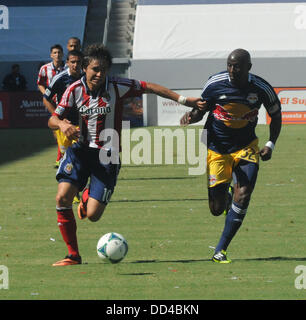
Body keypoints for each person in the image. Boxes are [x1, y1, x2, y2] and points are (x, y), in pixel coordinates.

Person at [48, 43, 205, 266]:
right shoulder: (73, 89)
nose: (99, 74)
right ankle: (73, 255)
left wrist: (182, 100)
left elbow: (150, 87)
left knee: (93, 215)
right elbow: (52, 119)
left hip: (108, 155)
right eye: (95, 69)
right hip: (80, 151)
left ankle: (86, 198)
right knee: (61, 197)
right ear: (85, 68)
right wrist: (62, 125)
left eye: (103, 70)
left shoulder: (117, 86)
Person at [180, 48, 282, 263]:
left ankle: (220, 250)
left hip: (246, 147)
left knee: (244, 194)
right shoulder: (215, 83)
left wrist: (270, 144)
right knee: (217, 209)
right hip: (217, 148)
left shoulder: (261, 88)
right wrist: (192, 116)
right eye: (229, 65)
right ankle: (225, 194)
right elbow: (202, 109)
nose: (232, 70)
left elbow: (275, 114)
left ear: (249, 68)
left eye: (237, 66)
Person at [43, 50, 83, 204]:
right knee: (67, 160)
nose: (75, 65)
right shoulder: (59, 78)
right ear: (67, 63)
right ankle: (70, 191)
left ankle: (76, 191)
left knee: (77, 157)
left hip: (81, 125)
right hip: (64, 126)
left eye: (78, 62)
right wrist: (58, 118)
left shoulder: (85, 78)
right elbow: (46, 98)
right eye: (72, 62)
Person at [37, 44, 65, 167]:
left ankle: (61, 157)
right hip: (51, 102)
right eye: (55, 52)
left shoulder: (67, 68)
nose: (57, 55)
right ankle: (62, 156)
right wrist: (46, 95)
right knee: (57, 128)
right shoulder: (44, 68)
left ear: (62, 54)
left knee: (61, 127)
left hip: (64, 102)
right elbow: (40, 83)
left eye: (59, 52)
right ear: (51, 55)